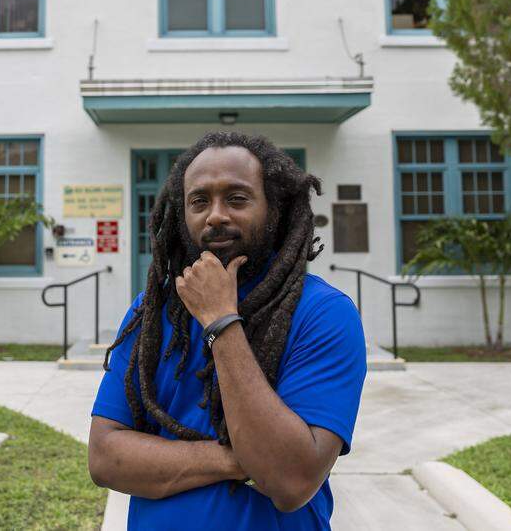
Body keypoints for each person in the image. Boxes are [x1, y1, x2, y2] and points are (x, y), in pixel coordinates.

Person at [88, 131, 367, 530]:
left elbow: (289, 482)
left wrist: (220, 319)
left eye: (236, 199)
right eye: (199, 201)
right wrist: (243, 460)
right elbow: (105, 458)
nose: (215, 215)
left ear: (274, 209)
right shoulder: (153, 310)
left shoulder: (324, 313)